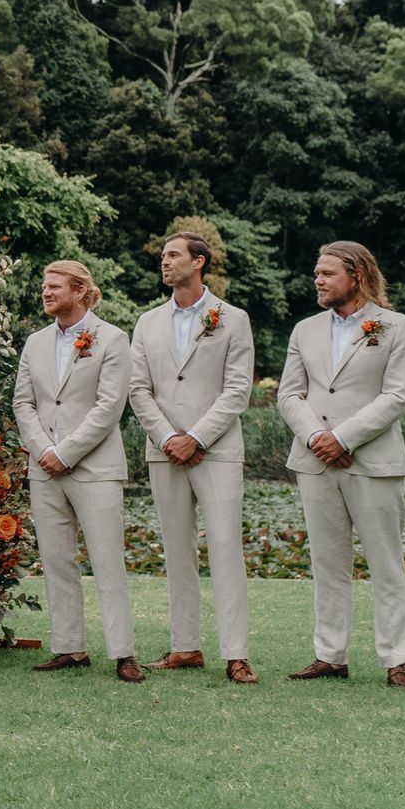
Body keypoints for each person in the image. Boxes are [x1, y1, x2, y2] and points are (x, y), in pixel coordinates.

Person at [277, 241, 405, 689]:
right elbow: (288, 394)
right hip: (315, 462)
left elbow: (396, 395)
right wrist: (317, 437)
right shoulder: (304, 330)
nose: (317, 281)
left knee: (386, 563)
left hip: (374, 462)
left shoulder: (397, 327)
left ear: (356, 275)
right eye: (317, 274)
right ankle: (329, 655)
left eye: (326, 273)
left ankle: (396, 659)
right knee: (327, 563)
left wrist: (343, 437)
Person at [128, 232, 258, 684]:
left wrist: (197, 437)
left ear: (198, 262)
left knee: (224, 547)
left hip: (216, 451)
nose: (164, 262)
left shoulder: (233, 318)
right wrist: (167, 437)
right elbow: (138, 389)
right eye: (163, 256)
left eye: (173, 255)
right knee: (176, 551)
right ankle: (185, 647)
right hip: (164, 453)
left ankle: (236, 653)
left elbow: (238, 389)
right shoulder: (146, 323)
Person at [12, 260, 142, 683]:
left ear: (81, 289)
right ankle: (70, 648)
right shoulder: (34, 343)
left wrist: (66, 452)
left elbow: (109, 407)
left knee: (107, 561)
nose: (46, 293)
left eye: (54, 286)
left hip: (95, 467)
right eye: (44, 287)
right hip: (44, 467)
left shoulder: (113, 339)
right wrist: (44, 449)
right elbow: (22, 403)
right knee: (55, 560)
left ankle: (123, 653)